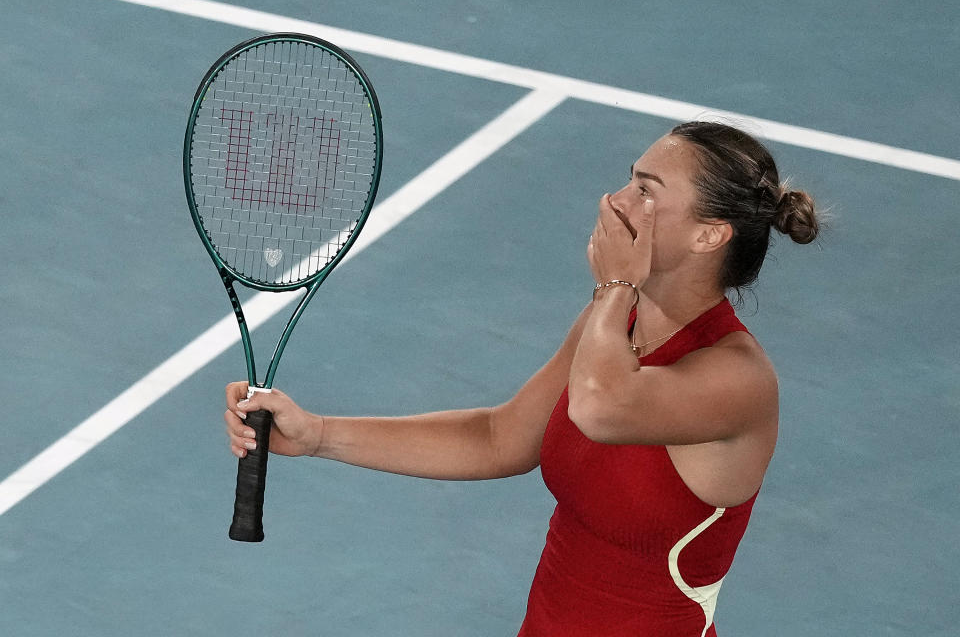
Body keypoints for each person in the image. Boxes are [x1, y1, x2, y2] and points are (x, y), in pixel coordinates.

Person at [224, 121, 820, 636]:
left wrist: (615, 286)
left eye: (645, 191)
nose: (613, 201)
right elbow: (501, 437)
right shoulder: (614, 324)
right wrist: (319, 434)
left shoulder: (737, 380)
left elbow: (600, 408)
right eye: (628, 179)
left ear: (710, 234)